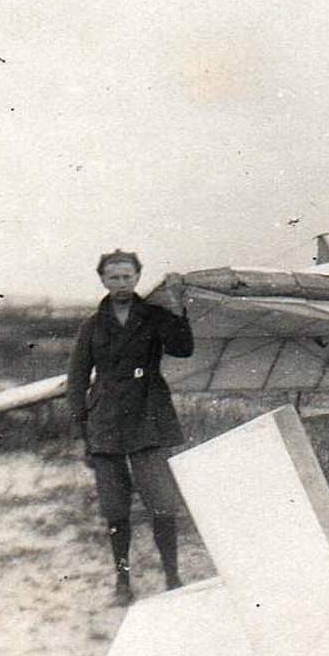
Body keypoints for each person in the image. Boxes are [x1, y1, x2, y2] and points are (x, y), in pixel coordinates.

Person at [67, 250, 193, 606]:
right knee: (114, 508)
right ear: (103, 280)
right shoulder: (91, 326)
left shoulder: (155, 317)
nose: (121, 284)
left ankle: (172, 576)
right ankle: (122, 582)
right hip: (105, 422)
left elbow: (183, 349)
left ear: (137, 277)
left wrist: (180, 308)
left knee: (162, 503)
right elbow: (76, 380)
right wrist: (83, 432)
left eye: (127, 277)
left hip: (148, 417)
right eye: (113, 278)